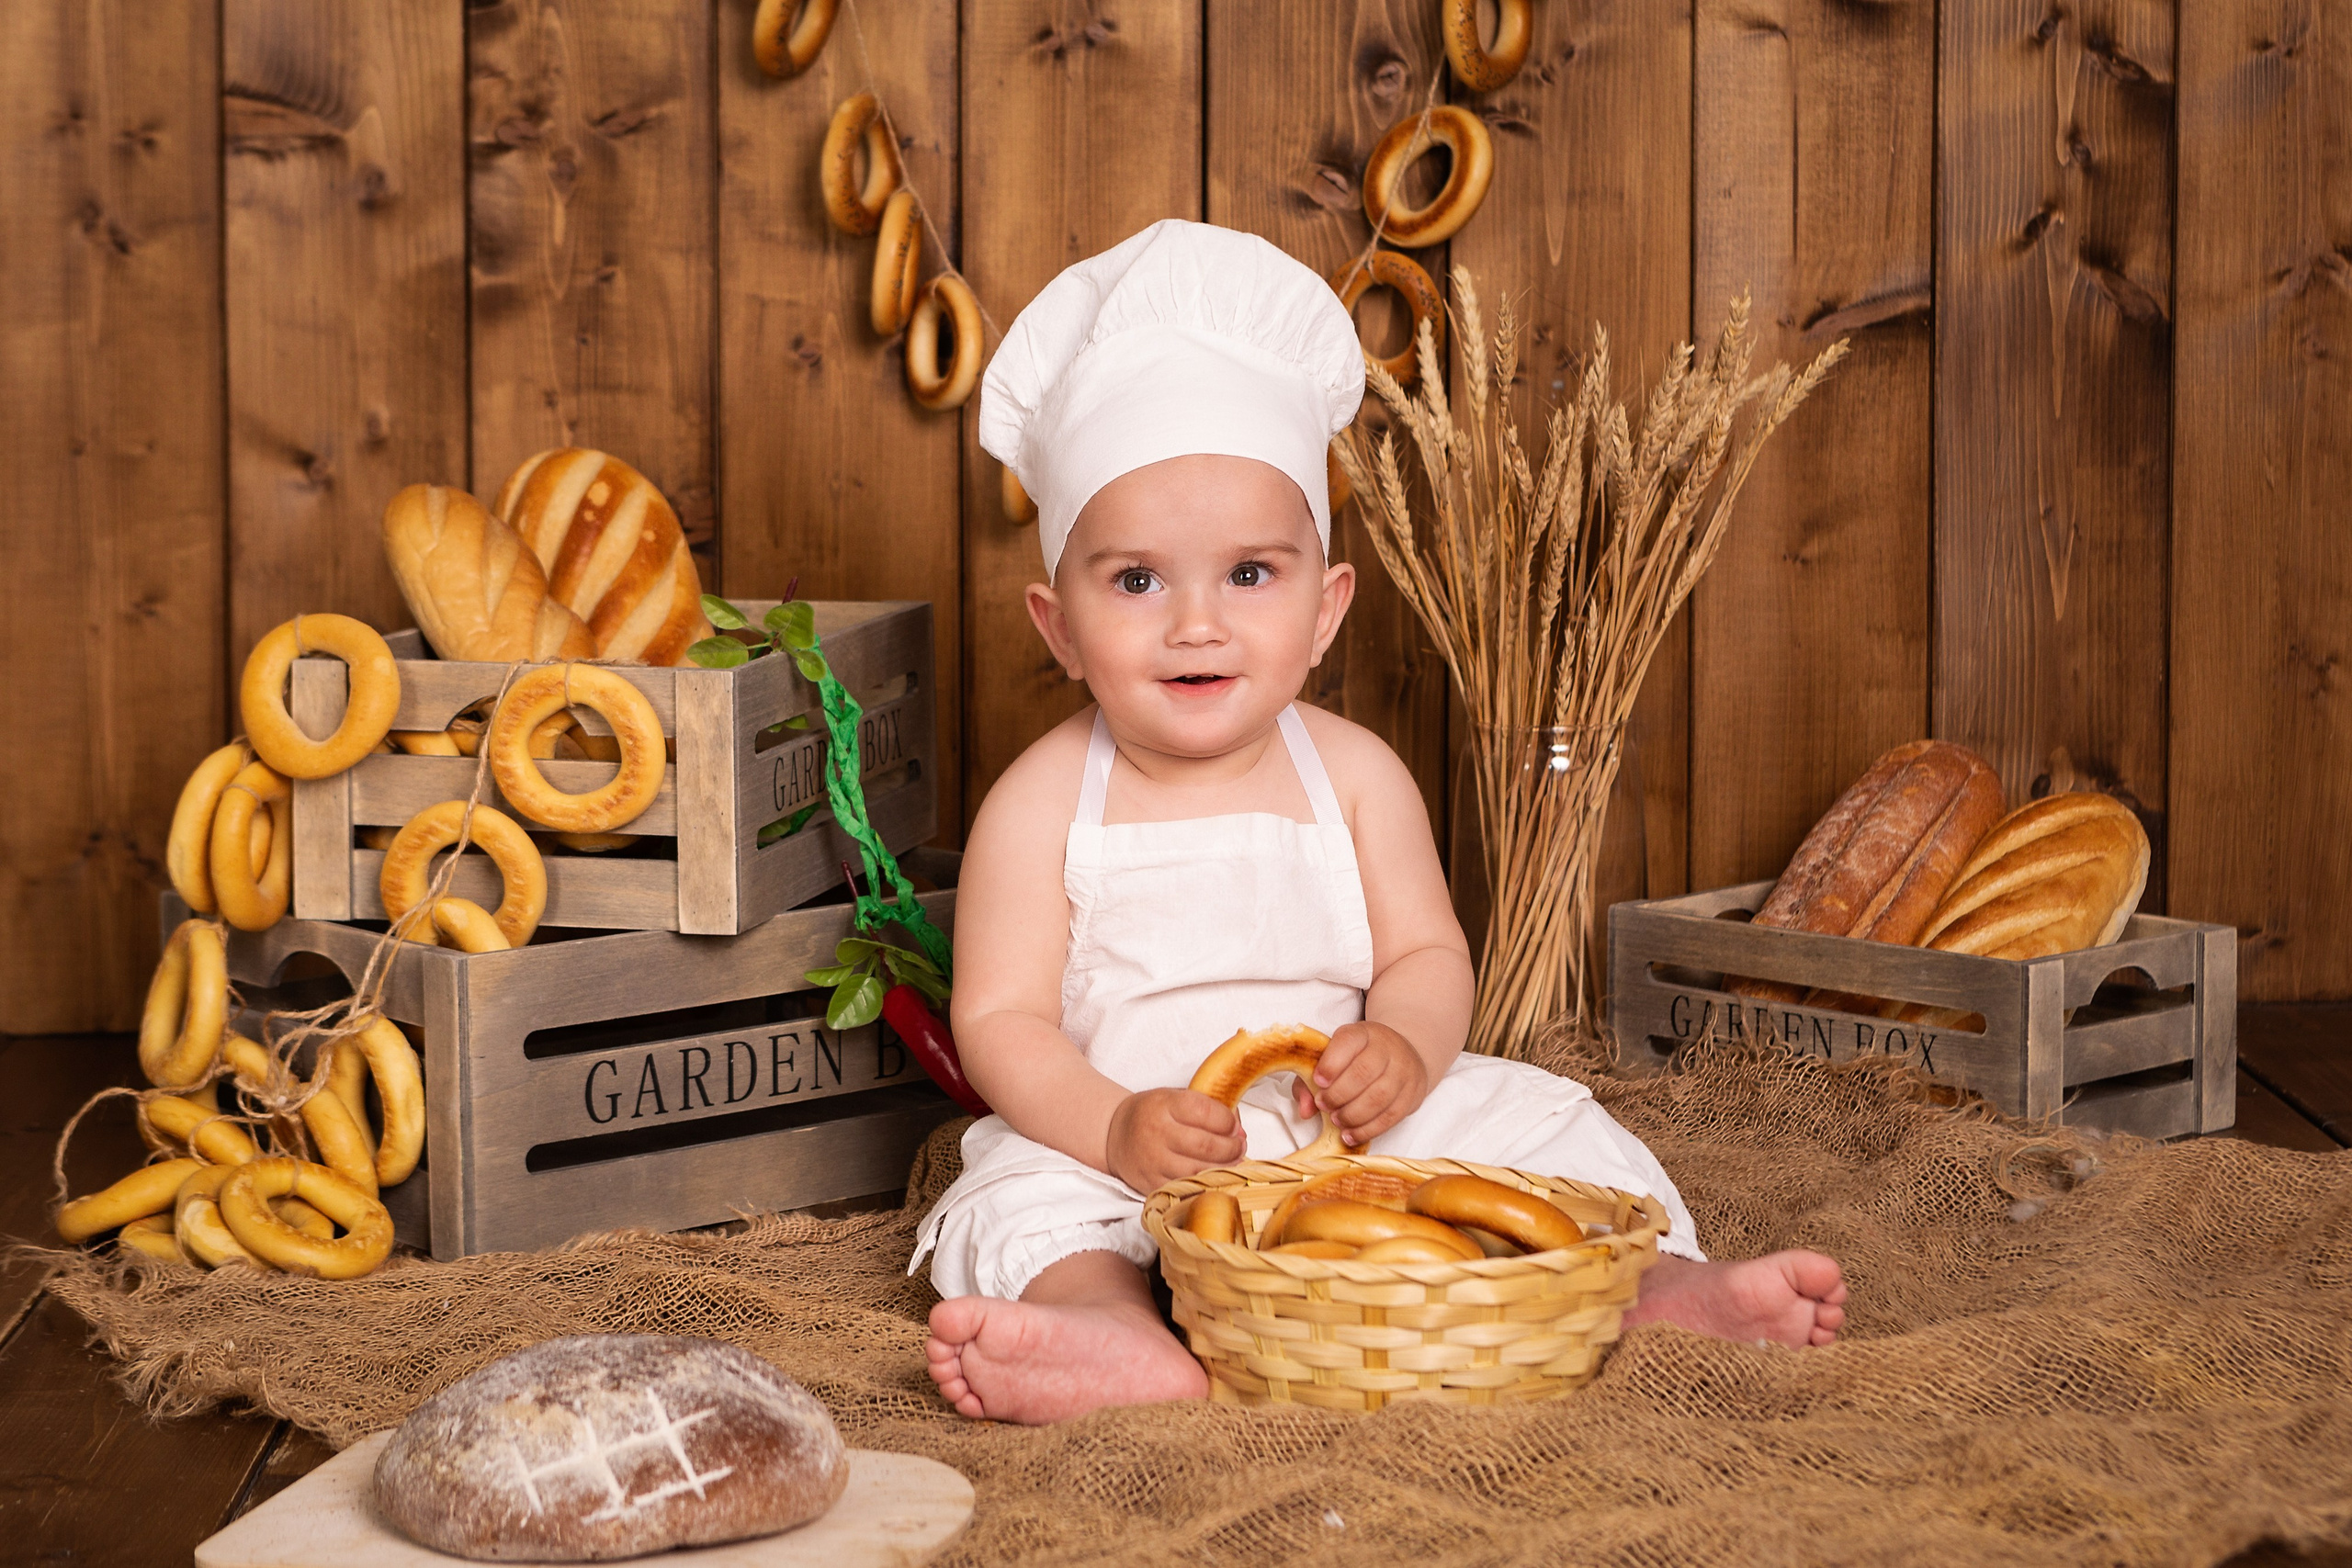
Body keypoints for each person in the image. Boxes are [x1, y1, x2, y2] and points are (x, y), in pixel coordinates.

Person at [914, 220, 1845, 1425]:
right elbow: (999, 1018)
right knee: (1012, 1197)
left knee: (1548, 1121)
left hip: (1348, 1137)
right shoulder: (1042, 798)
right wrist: (1113, 1122)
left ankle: (1650, 1286)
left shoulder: (1352, 774)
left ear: (1326, 607)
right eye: (1137, 580)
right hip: (1128, 1145)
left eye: (1250, 575)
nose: (1196, 623)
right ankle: (1107, 1324)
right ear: (1057, 625)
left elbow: (1421, 954)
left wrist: (1401, 1051)